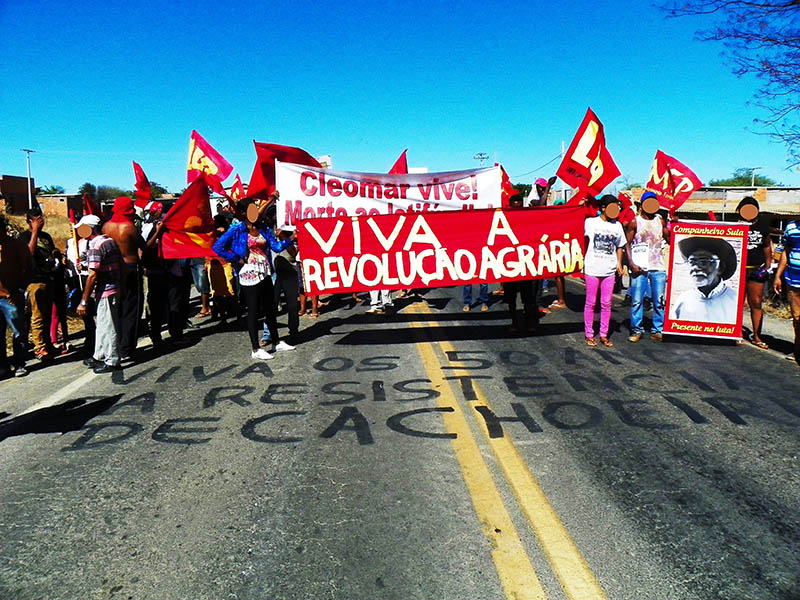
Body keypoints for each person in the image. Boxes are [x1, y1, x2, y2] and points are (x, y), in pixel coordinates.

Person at [213, 198, 296, 360]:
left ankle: (276, 342)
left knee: (270, 309)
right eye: (252, 209)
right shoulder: (237, 229)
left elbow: (276, 247)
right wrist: (235, 258)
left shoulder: (263, 227)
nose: (255, 212)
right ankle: (255, 349)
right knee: (253, 311)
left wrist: (290, 239)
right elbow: (217, 247)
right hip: (248, 274)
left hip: (264, 272)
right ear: (244, 213)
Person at [77, 215, 123, 373]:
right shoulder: (108, 241)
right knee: (102, 325)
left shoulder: (96, 245)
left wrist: (83, 301)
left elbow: (93, 275)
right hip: (113, 287)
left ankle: (112, 360)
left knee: (108, 325)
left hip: (106, 290)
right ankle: (99, 355)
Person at [103, 196, 144, 360]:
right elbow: (145, 247)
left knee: (116, 309)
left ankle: (117, 344)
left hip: (112, 270)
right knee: (132, 308)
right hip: (130, 268)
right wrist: (159, 232)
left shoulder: (106, 227)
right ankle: (128, 347)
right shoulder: (129, 228)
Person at [584, 194, 626, 347]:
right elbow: (578, 236)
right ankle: (589, 334)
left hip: (609, 270)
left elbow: (620, 246)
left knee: (607, 303)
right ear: (603, 208)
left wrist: (619, 264)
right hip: (592, 268)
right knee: (590, 303)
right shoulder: (590, 223)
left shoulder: (618, 226)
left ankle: (603, 334)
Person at [627, 192, 669, 342]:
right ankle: (636, 330)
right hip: (640, 267)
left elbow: (669, 238)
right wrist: (631, 263)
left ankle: (657, 330)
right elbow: (627, 244)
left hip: (658, 267)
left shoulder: (661, 221)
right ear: (642, 205)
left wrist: (674, 225)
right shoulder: (635, 222)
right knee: (637, 300)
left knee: (659, 301)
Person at [18, 207, 58, 360]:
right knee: (38, 315)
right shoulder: (24, 236)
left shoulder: (46, 236)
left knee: (47, 314)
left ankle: (47, 344)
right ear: (29, 221)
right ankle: (39, 348)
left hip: (48, 277)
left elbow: (51, 251)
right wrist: (34, 231)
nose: (41, 221)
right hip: (34, 280)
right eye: (36, 219)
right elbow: (29, 253)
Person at [673, 237, 739, 323]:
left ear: (720, 268)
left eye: (704, 262)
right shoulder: (683, 300)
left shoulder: (734, 300)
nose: (695, 268)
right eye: (692, 262)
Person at [737, 197, 773, 348]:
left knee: (756, 303)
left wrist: (769, 264)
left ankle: (757, 337)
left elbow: (766, 245)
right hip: (737, 269)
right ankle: (736, 334)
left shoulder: (763, 226)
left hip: (756, 269)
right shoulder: (735, 225)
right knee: (736, 303)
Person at [0, 214, 33, 377]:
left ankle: (20, 362)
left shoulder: (17, 246)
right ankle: (3, 366)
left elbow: (28, 268)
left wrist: (20, 290)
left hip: (11, 297)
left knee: (18, 331)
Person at [504, 194, 539, 333]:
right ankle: (514, 322)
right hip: (508, 265)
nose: (517, 210)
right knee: (511, 298)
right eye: (514, 207)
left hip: (525, 265)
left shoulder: (528, 221)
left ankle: (529, 322)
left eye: (519, 207)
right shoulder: (503, 221)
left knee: (528, 298)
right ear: (510, 206)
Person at [774, 217, 800, 366]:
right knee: (796, 318)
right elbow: (785, 251)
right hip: (793, 281)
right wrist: (778, 276)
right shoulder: (791, 227)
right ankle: (797, 350)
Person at [272, 224, 300, 343]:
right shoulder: (269, 234)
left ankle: (293, 332)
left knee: (292, 306)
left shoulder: (293, 234)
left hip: (290, 274)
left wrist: (284, 237)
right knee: (270, 306)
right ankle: (269, 335)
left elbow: (293, 253)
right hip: (274, 274)